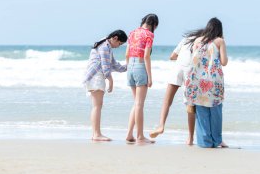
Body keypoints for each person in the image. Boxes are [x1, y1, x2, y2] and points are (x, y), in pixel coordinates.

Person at [184, 17, 228, 148]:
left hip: (196, 80)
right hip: (214, 80)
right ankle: (217, 140)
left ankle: (205, 142)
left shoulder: (197, 40)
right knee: (216, 111)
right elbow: (224, 62)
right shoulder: (220, 41)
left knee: (201, 110)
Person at [149, 37, 196, 145]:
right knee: (190, 105)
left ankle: (161, 126)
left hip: (178, 68)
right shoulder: (203, 40)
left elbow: (172, 56)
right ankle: (190, 137)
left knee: (167, 100)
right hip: (191, 71)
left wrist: (182, 58)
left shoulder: (186, 39)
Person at [83, 30, 128, 141]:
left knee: (97, 106)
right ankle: (96, 134)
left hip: (94, 77)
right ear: (115, 38)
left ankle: (95, 134)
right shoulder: (104, 47)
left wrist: (128, 66)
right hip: (96, 77)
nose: (119, 46)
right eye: (120, 43)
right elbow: (105, 67)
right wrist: (111, 81)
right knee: (97, 106)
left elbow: (114, 65)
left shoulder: (106, 45)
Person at [125, 14, 158, 144]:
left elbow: (127, 53)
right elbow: (146, 56)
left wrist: (129, 68)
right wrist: (150, 76)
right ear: (154, 25)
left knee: (136, 103)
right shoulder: (149, 34)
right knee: (139, 104)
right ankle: (140, 136)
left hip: (130, 67)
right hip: (140, 67)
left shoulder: (132, 33)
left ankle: (129, 134)